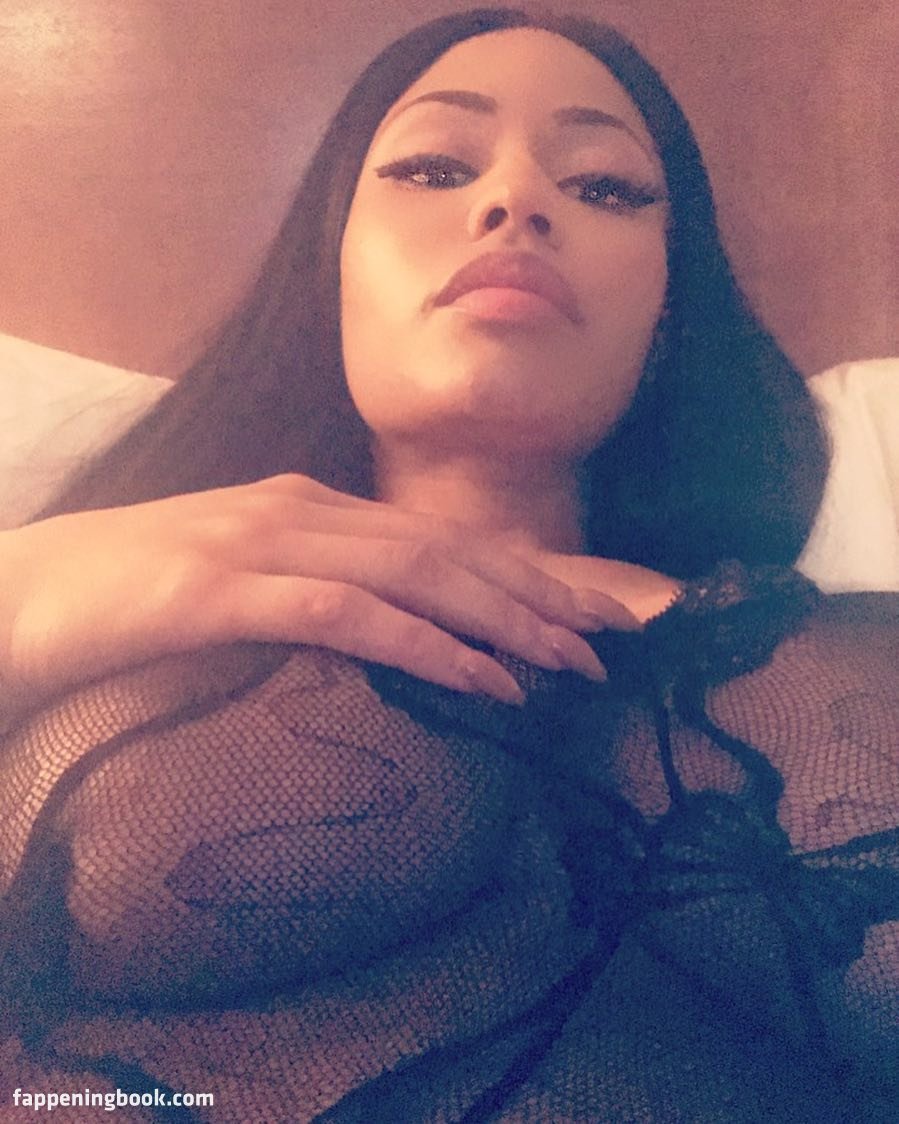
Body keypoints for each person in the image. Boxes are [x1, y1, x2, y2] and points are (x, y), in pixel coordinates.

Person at [0, 8, 895, 1122]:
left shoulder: (845, 648)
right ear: (331, 275)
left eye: (604, 186)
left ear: (666, 311)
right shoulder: (91, 585)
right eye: (432, 167)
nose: (513, 198)